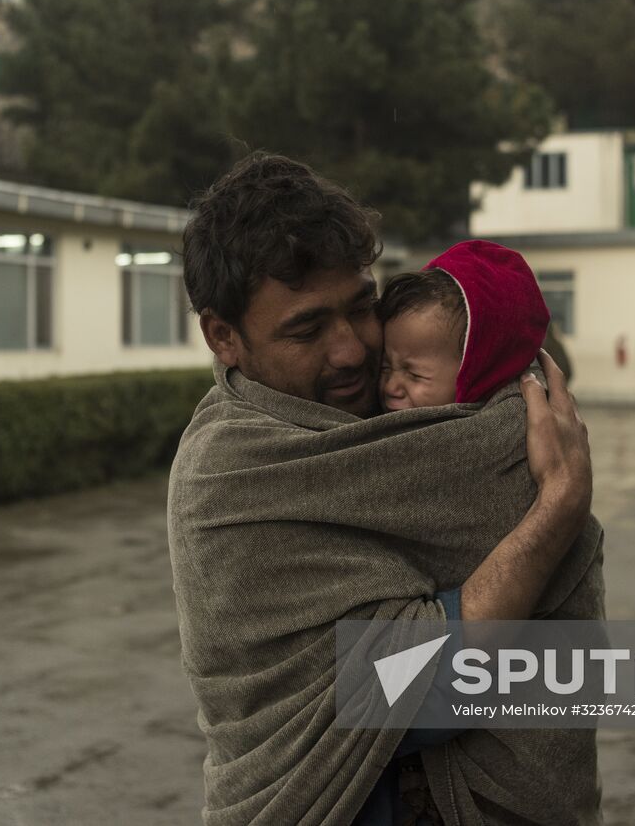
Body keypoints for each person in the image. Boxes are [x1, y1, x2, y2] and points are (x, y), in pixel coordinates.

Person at [168, 153, 603, 826]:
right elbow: (416, 691)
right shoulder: (230, 480)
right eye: (308, 329)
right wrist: (556, 510)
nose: (350, 350)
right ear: (223, 335)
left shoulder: (385, 421)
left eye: (361, 307)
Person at [378, 239, 550, 412]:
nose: (390, 387)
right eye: (385, 367)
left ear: (480, 374)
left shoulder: (503, 431)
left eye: (415, 375)